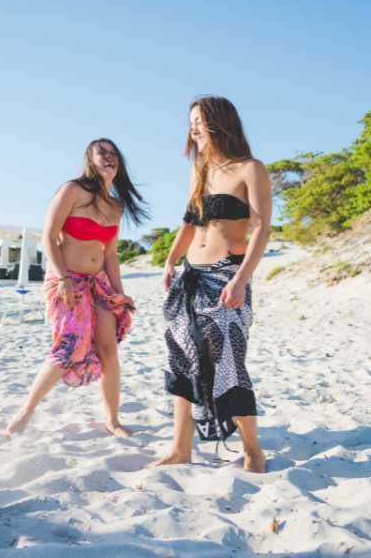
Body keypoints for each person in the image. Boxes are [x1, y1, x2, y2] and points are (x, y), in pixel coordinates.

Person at [153, 96, 271, 473]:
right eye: (191, 121)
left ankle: (253, 450)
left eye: (200, 120)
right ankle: (180, 448)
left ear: (220, 122)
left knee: (229, 363)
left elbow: (261, 229)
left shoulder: (250, 169)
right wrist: (171, 260)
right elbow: (189, 223)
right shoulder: (200, 171)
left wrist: (241, 279)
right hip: (190, 277)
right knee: (183, 358)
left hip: (226, 276)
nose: (194, 128)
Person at [6, 138, 148, 437]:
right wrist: (64, 278)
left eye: (114, 154)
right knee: (69, 346)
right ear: (90, 159)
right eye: (103, 153)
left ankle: (113, 420)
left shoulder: (115, 206)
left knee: (109, 349)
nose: (109, 158)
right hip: (66, 278)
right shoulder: (72, 190)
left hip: (99, 284)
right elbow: (48, 237)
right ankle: (26, 411)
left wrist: (119, 293)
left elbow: (109, 254)